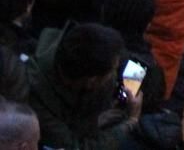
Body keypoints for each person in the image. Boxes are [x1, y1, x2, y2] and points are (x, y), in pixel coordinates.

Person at [27, 20, 143, 148]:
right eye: (112, 71)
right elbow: (74, 146)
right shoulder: (36, 94)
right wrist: (130, 123)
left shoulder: (90, 54)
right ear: (92, 81)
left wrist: (95, 122)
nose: (115, 75)